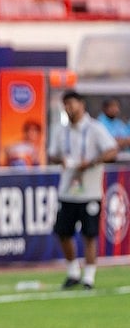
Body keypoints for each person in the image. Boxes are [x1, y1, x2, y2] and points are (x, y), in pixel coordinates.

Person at [48, 91, 118, 290]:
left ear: (81, 104)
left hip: (90, 191)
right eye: (65, 105)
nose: (68, 108)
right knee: (63, 233)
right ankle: (73, 272)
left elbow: (112, 150)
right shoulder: (61, 131)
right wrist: (62, 160)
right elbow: (52, 154)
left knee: (89, 235)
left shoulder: (95, 128)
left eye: (71, 104)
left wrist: (92, 162)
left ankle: (89, 277)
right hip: (68, 190)